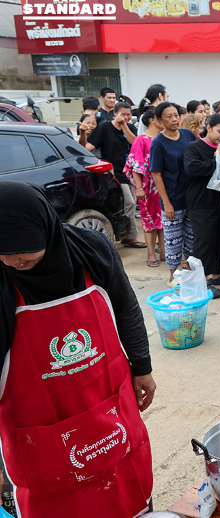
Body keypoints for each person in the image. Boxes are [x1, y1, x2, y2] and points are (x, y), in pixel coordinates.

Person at [0, 182, 155, 517]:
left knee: (129, 495)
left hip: (109, 408)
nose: (14, 259)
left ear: (46, 227)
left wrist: (142, 366)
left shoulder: (91, 249)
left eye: (24, 248)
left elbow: (126, 306)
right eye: (4, 251)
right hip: (38, 434)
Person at [184, 115, 220, 298]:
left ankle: (217, 274)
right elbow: (192, 169)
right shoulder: (194, 148)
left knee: (219, 238)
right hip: (200, 202)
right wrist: (216, 162)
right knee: (204, 241)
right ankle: (201, 281)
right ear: (208, 128)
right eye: (219, 131)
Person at [150, 102, 198, 283]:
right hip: (173, 200)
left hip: (191, 198)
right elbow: (157, 175)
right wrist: (167, 203)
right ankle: (173, 277)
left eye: (176, 115)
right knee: (173, 242)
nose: (174, 119)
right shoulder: (158, 143)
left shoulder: (187, 135)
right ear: (160, 120)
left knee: (191, 239)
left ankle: (190, 275)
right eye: (169, 116)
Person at [85, 101, 142, 248]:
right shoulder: (104, 127)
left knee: (130, 204)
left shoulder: (129, 127)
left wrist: (124, 125)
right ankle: (130, 237)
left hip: (130, 173)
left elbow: (135, 144)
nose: (126, 117)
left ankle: (127, 236)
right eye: (123, 114)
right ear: (115, 113)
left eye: (129, 114)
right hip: (113, 173)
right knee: (128, 203)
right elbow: (89, 147)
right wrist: (83, 134)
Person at [125, 107, 165, 268]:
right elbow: (135, 165)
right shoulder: (141, 139)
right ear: (152, 120)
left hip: (164, 186)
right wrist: (139, 188)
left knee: (164, 220)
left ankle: (164, 251)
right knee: (149, 221)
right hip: (148, 188)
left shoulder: (163, 138)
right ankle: (150, 253)